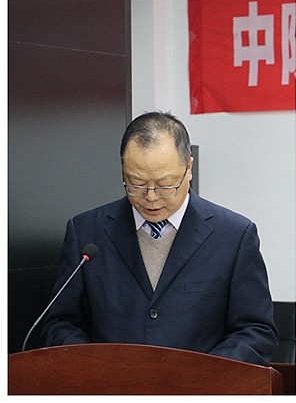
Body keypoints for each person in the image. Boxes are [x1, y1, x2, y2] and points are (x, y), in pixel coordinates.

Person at [43, 111, 278, 365]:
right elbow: (61, 323)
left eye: (165, 185)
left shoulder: (234, 236)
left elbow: (256, 331)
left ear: (189, 168)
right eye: (136, 183)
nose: (151, 197)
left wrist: (204, 375)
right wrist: (95, 367)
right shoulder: (87, 232)